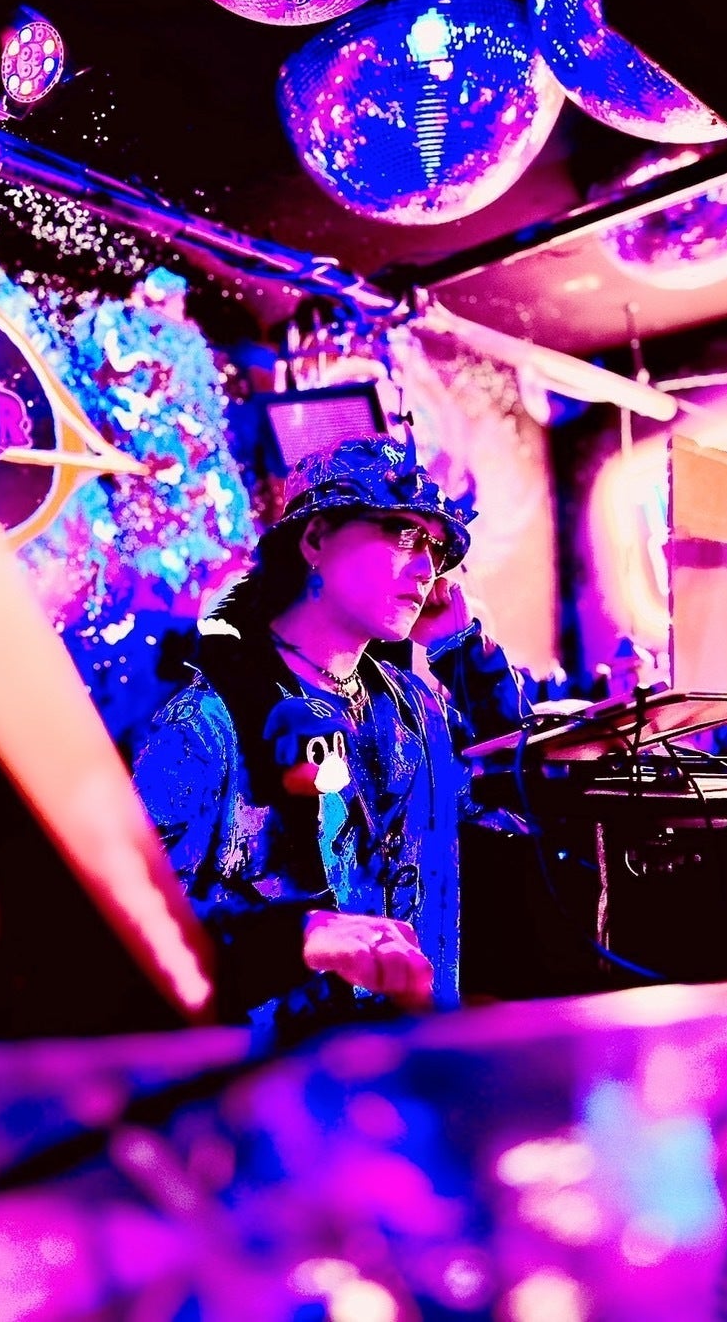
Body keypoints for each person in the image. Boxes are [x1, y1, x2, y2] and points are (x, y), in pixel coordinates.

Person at [133, 434, 526, 1042]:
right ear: (315, 540)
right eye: (404, 534)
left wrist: (465, 654)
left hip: (413, 1063)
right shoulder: (207, 723)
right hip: (278, 1080)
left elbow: (516, 800)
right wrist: (293, 939)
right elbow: (136, 942)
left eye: (436, 548)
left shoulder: (413, 708)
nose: (426, 569)